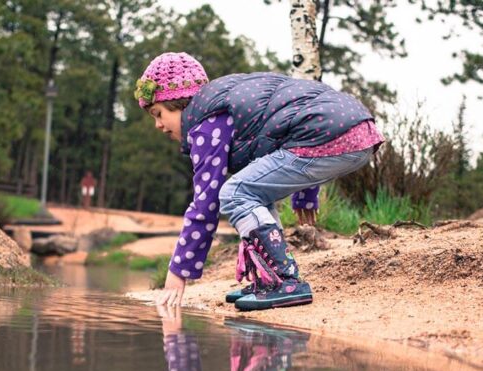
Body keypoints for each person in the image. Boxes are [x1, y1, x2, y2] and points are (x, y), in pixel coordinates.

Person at [136, 52, 382, 311]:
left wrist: (178, 273)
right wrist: (305, 195)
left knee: (234, 193)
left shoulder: (205, 123)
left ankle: (283, 281)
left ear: (180, 102)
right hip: (358, 131)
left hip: (331, 138)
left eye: (158, 113)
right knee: (253, 192)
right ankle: (267, 278)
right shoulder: (228, 104)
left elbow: (205, 204)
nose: (158, 125)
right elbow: (297, 118)